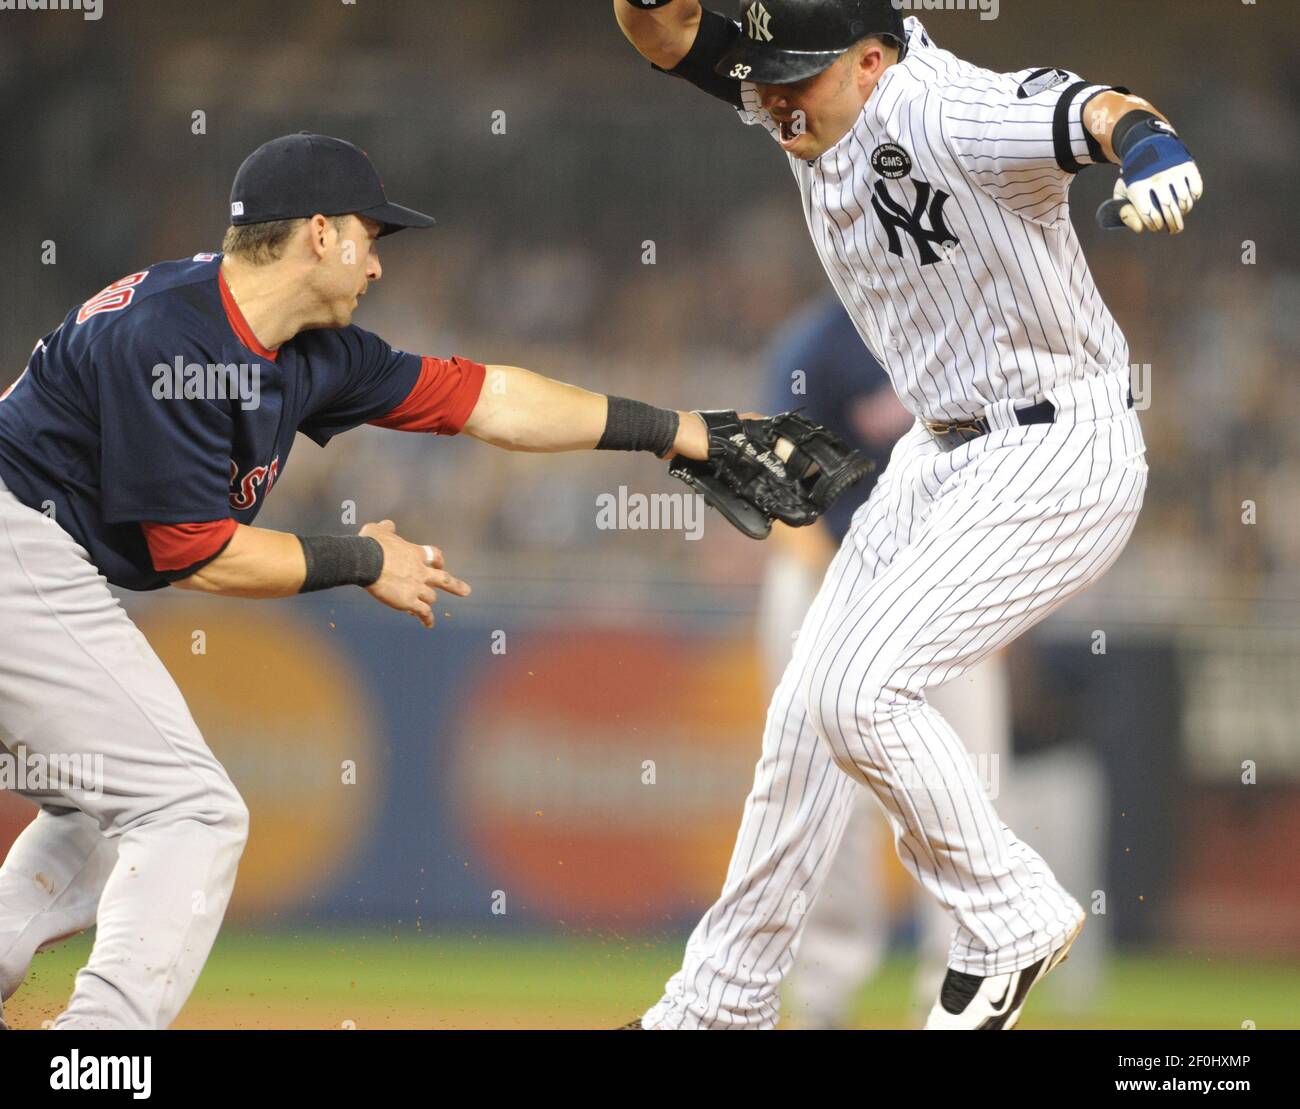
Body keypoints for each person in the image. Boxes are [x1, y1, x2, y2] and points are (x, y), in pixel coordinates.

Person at [0, 132, 721, 1029]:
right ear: (318, 233)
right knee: (192, 809)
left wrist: (684, 433)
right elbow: (200, 554)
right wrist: (366, 558)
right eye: (370, 236)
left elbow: (489, 397)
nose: (378, 265)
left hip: (33, 562)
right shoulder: (171, 336)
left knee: (95, 809)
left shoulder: (303, 350)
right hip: (15, 547)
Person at [613, 0, 1202, 1029]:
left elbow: (1091, 109)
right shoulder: (806, 96)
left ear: (873, 60)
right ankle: (720, 1003)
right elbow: (663, 34)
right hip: (938, 454)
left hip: (1055, 444)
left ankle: (1008, 913)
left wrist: (1148, 145)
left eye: (796, 75)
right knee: (803, 715)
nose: (773, 101)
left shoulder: (948, 110)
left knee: (858, 694)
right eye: (767, 73)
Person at [758, 295, 1010, 1029]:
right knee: (819, 793)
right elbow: (782, 493)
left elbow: (1006, 475)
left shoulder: (971, 332)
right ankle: (822, 1000)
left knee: (968, 790)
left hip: (947, 581)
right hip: (823, 578)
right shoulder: (815, 347)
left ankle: (960, 997)